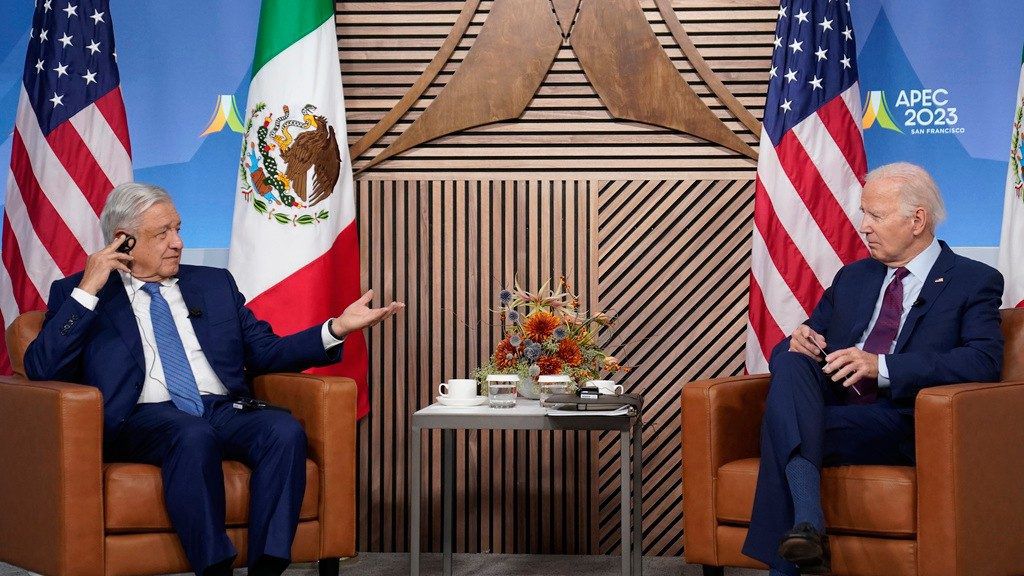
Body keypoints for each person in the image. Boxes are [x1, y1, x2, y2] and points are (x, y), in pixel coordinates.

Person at [23, 182, 404, 576]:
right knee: (191, 434)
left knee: (283, 430)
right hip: (141, 418)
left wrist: (336, 328)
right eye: (163, 233)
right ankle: (215, 567)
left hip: (221, 408)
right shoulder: (82, 293)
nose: (178, 243)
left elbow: (266, 351)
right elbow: (43, 368)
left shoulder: (213, 284)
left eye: (178, 228)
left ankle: (267, 565)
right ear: (124, 242)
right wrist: (89, 289)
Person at [741, 163, 1004, 575]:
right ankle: (808, 525)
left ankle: (794, 554)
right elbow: (794, 349)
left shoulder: (972, 280)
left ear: (917, 219)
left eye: (875, 216)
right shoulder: (854, 277)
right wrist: (795, 342)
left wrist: (881, 365)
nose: (863, 226)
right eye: (864, 213)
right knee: (792, 362)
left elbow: (983, 361)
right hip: (831, 405)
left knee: (784, 426)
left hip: (901, 417)